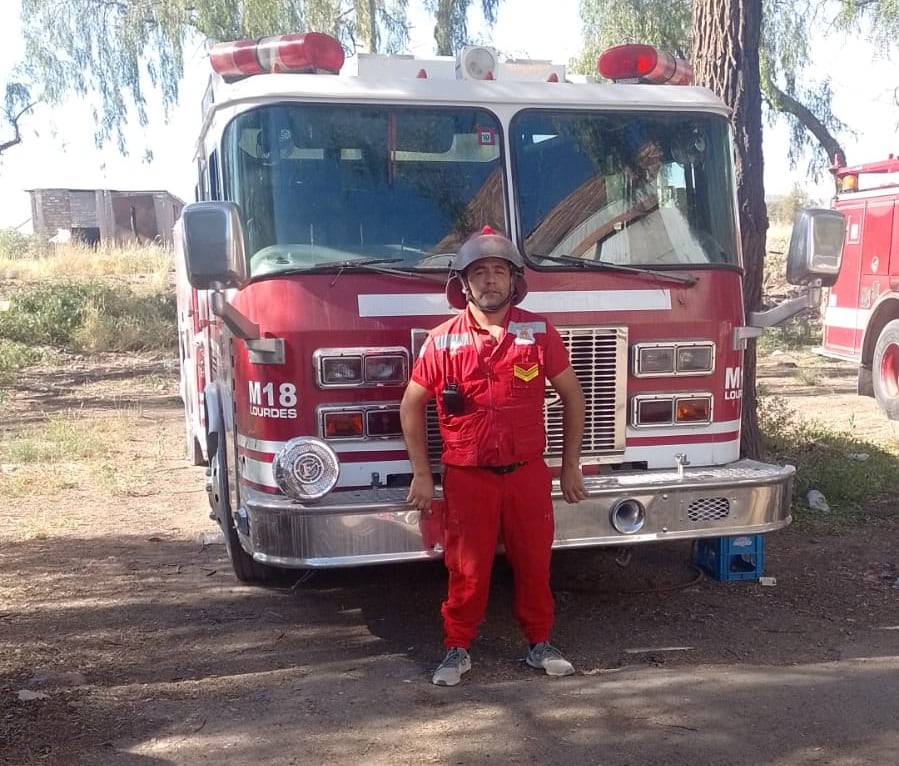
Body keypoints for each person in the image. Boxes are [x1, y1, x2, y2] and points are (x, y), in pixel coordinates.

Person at [400, 226, 587, 687]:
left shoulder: (538, 332)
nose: (489, 281)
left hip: (527, 475)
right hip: (468, 478)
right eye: (479, 272)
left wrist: (570, 466)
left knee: (534, 563)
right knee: (466, 569)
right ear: (463, 283)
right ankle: (456, 649)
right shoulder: (442, 341)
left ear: (514, 280)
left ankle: (539, 644)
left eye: (498, 271)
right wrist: (422, 475)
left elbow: (573, 397)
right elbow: (411, 404)